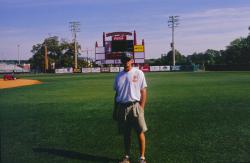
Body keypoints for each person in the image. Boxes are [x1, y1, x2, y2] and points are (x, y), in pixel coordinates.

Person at [113, 53, 148, 163]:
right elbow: (116, 94)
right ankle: (126, 157)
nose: (126, 61)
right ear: (122, 61)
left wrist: (141, 108)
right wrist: (115, 110)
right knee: (126, 133)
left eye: (128, 59)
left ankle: (142, 158)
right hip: (122, 107)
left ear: (131, 60)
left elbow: (143, 91)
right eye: (124, 59)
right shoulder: (118, 76)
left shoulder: (138, 73)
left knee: (140, 132)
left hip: (135, 106)